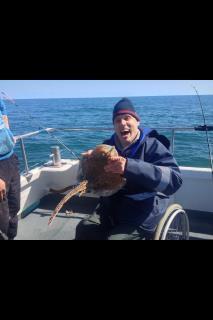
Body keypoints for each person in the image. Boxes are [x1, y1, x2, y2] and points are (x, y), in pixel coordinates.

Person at [75, 98, 182, 240]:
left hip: (143, 209)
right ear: (114, 126)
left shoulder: (153, 146)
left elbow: (174, 180)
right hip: (111, 205)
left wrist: (128, 166)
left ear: (137, 121)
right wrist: (86, 163)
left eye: (127, 118)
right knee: (84, 230)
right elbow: (89, 183)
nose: (122, 123)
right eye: (117, 120)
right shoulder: (106, 147)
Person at [0, 98, 20, 240]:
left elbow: (4, 114)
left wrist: (9, 134)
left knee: (14, 204)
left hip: (11, 158)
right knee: (1, 212)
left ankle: (11, 236)